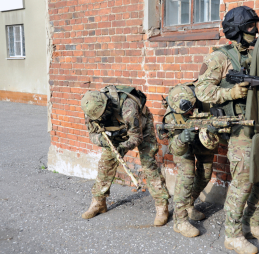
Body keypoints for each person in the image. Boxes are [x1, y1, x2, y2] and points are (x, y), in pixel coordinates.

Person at [195, 6, 259, 254]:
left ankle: (251, 223)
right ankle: (233, 235)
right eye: (252, 27)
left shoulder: (254, 55)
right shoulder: (219, 58)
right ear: (239, 30)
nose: (256, 31)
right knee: (242, 181)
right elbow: (202, 91)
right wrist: (230, 93)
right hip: (237, 128)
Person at [80, 85, 170, 226]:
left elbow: (136, 137)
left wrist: (122, 148)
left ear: (107, 105)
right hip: (114, 134)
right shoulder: (90, 109)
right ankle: (98, 202)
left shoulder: (128, 106)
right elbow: (93, 135)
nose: (101, 118)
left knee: (149, 164)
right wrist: (103, 140)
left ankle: (161, 206)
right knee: (106, 164)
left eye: (103, 114)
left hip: (140, 128)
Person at [163, 83, 218, 238]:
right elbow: (174, 148)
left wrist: (215, 128)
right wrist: (181, 139)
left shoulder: (203, 98)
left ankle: (188, 204)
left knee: (206, 173)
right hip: (183, 144)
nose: (188, 112)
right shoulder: (171, 115)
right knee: (187, 174)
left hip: (202, 137)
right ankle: (180, 220)